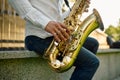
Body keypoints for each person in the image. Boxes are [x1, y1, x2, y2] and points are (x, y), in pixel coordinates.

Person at [8, 0, 100, 80]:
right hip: (37, 37)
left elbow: (56, 19)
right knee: (91, 62)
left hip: (53, 36)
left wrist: (73, 10)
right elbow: (20, 4)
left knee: (93, 44)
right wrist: (46, 23)